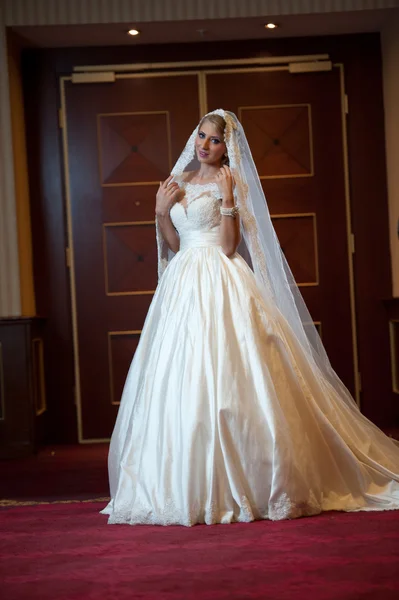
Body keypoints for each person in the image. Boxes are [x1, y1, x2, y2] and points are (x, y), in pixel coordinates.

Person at [101, 109, 399, 526]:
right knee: (179, 374)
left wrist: (226, 200)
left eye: (215, 140)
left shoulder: (232, 181)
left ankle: (250, 478)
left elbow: (227, 247)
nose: (205, 145)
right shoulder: (178, 183)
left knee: (230, 372)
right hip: (182, 284)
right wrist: (160, 211)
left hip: (220, 279)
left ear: (228, 147)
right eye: (201, 136)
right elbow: (173, 245)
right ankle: (181, 481)